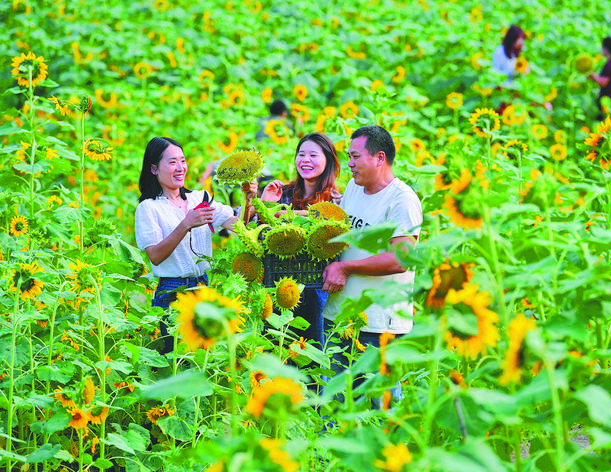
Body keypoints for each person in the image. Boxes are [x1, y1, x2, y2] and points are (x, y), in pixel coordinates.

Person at [321, 125, 422, 370]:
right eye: (349, 157)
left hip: (378, 325)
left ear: (379, 158)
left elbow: (401, 259)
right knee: (336, 402)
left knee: (378, 403)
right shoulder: (354, 188)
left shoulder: (402, 201)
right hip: (339, 316)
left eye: (355, 157)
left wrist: (345, 268)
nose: (350, 164)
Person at [135, 136, 239, 352]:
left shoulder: (199, 198)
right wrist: (185, 224)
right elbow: (154, 255)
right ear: (154, 169)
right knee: (176, 360)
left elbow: (236, 225)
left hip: (203, 286)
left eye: (182, 161)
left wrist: (251, 199)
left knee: (204, 360)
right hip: (171, 292)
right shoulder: (148, 208)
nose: (180, 167)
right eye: (172, 162)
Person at [256, 132, 342, 346]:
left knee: (312, 352)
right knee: (275, 351)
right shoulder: (281, 193)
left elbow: (335, 233)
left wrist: (289, 215)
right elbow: (260, 234)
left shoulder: (336, 201)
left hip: (316, 288)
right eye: (301, 154)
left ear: (328, 161)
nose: (305, 160)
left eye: (313, 155)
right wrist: (264, 205)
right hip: (276, 283)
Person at [589, 36, 611, 119]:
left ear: (606, 50)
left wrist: (592, 75)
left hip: (608, 101)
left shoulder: (610, 65)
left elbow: (603, 82)